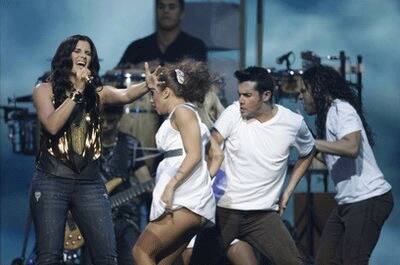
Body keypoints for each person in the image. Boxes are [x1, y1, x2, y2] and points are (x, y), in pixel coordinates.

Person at [30, 34, 160, 264]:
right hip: (52, 180)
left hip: (89, 183)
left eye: (88, 53)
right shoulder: (44, 90)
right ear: (65, 56)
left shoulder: (98, 92)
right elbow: (51, 125)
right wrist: (77, 91)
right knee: (49, 257)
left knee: (106, 257)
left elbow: (125, 94)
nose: (83, 56)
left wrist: (146, 86)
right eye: (78, 51)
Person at [203, 66, 316, 265]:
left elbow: (307, 153)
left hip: (263, 216)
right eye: (239, 95)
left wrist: (288, 191)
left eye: (247, 95)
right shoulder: (232, 114)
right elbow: (212, 146)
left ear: (266, 95)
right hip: (225, 211)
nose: (241, 101)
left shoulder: (293, 123)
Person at [299, 65, 393, 265]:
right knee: (325, 261)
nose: (300, 96)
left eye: (304, 90)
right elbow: (332, 159)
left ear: (317, 90)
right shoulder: (327, 117)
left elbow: (351, 147)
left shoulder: (340, 108)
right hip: (348, 201)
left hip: (368, 197)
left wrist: (313, 143)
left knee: (354, 260)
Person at [132, 59, 223, 265]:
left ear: (166, 93)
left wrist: (172, 186)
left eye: (153, 93)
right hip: (191, 202)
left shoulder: (183, 112)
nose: (151, 100)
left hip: (184, 202)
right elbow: (212, 155)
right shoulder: (186, 113)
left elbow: (193, 155)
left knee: (141, 252)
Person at [81, 104, 153, 265]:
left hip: (125, 217)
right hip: (92, 219)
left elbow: (146, 182)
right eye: (101, 121)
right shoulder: (85, 145)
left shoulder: (131, 144)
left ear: (120, 117)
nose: (105, 125)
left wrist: (158, 187)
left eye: (111, 121)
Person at [117, 0, 207, 68]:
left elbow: (199, 78)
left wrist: (160, 67)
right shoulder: (137, 47)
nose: (166, 11)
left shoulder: (195, 46)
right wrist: (136, 69)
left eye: (172, 7)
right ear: (155, 11)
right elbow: (114, 75)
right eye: (161, 6)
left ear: (182, 13)